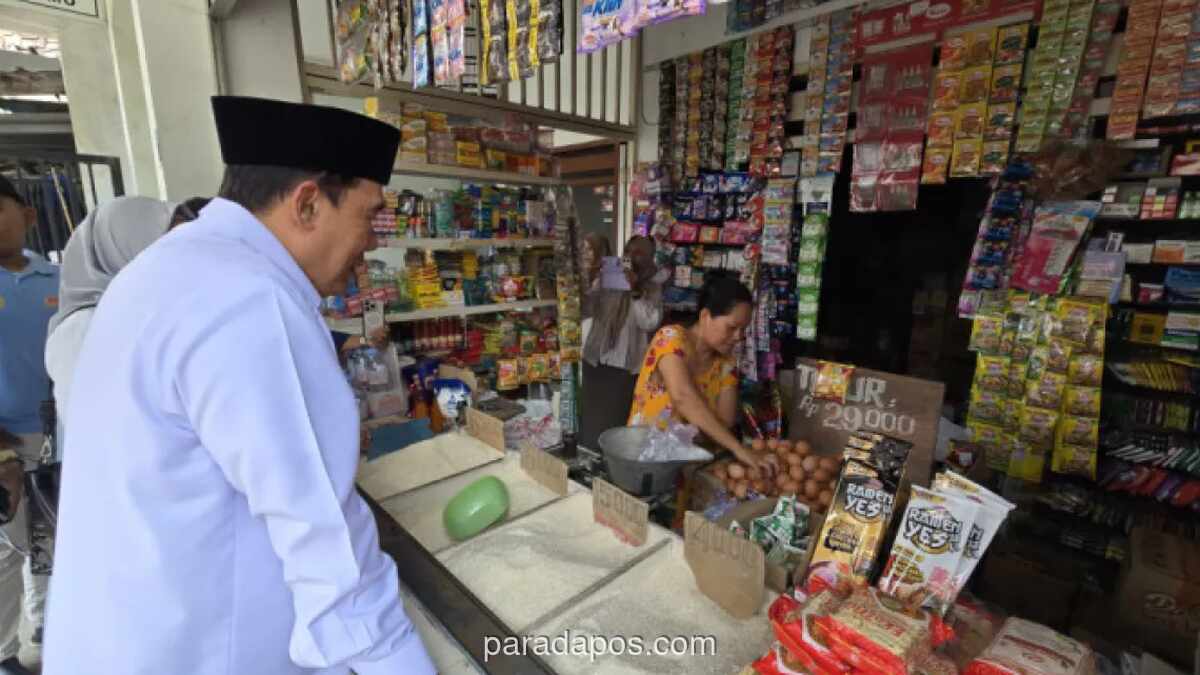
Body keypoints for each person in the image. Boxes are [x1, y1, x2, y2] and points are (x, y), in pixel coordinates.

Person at [42, 96, 434, 674]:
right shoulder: (251, 300)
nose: (372, 242)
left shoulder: (163, 269)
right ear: (308, 204)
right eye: (368, 214)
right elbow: (330, 555)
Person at [44, 196, 209, 430]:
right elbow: (103, 427)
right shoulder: (83, 329)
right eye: (166, 244)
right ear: (119, 249)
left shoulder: (147, 310)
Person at [628, 274, 775, 473]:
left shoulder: (726, 365)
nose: (738, 337)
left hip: (689, 469)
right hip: (645, 461)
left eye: (743, 330)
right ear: (705, 316)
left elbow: (725, 423)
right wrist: (738, 449)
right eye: (732, 327)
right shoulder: (670, 339)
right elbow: (682, 396)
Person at [0, 174, 55, 674]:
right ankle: (4, 653)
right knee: (6, 547)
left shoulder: (57, 280)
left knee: (47, 535)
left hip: (58, 432)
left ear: (29, 215)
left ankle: (47, 623)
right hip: (5, 438)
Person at [579, 235, 664, 449]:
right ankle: (588, 458)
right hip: (595, 359)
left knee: (613, 422)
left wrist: (634, 290)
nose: (632, 256)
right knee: (590, 419)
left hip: (624, 368)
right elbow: (587, 307)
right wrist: (593, 278)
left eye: (639, 253)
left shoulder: (653, 285)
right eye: (628, 251)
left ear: (650, 258)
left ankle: (608, 462)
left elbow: (649, 322)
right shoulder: (611, 274)